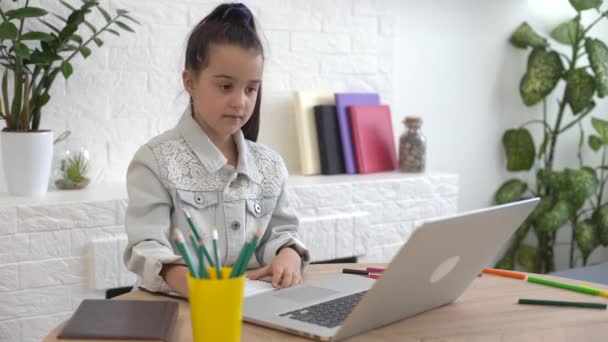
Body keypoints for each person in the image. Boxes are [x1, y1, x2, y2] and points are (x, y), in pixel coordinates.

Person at [123, 2, 310, 298]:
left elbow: (282, 233)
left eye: (251, 89)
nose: (240, 102)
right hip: (182, 309)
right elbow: (145, 248)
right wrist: (193, 285)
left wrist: (289, 255)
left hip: (256, 310)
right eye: (225, 87)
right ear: (190, 82)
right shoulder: (154, 162)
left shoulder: (270, 165)